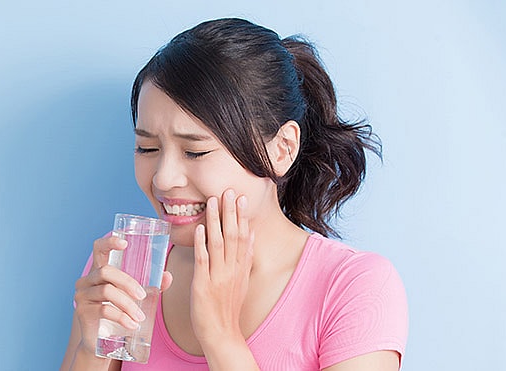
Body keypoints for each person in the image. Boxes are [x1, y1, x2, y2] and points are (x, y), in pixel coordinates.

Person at [61, 18, 408, 370]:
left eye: (195, 151)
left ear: (282, 149)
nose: (163, 179)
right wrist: (93, 350)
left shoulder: (353, 287)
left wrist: (220, 335)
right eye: (147, 148)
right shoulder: (127, 265)